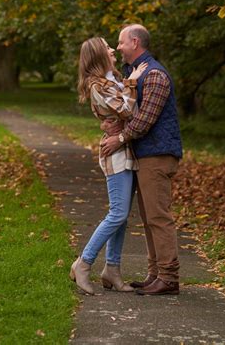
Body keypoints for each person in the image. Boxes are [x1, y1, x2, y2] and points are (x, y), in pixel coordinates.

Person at [101, 24, 182, 295]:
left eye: (121, 42)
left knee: (158, 216)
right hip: (146, 154)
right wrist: (115, 126)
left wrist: (120, 138)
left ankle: (169, 278)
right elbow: (130, 111)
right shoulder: (135, 73)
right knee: (149, 218)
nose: (119, 47)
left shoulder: (155, 75)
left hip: (157, 154)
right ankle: (155, 274)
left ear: (135, 42)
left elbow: (145, 120)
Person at [70, 36, 148, 295]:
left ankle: (112, 270)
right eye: (107, 48)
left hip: (125, 150)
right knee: (117, 213)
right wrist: (133, 82)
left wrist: (126, 85)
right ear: (97, 55)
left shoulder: (111, 80)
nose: (113, 50)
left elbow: (124, 111)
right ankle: (84, 263)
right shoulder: (97, 85)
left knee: (122, 217)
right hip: (115, 154)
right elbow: (127, 111)